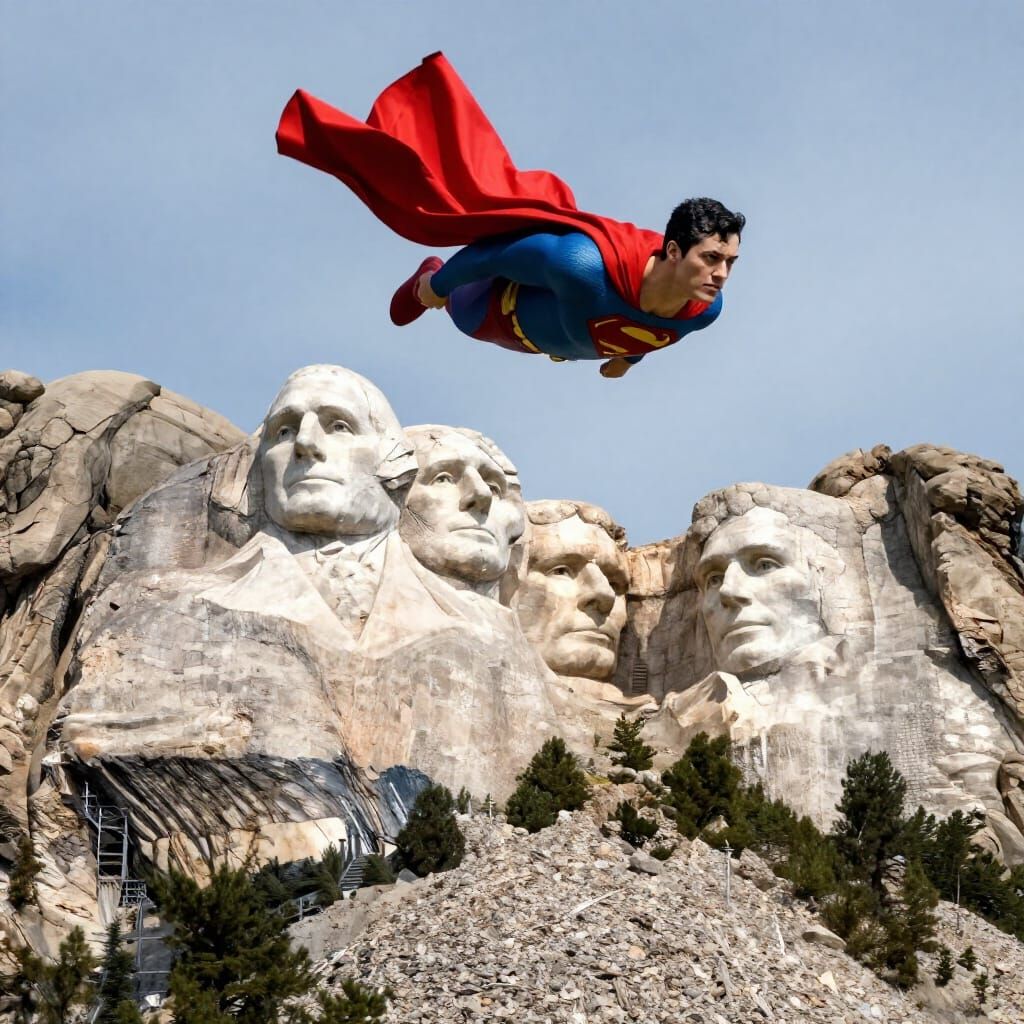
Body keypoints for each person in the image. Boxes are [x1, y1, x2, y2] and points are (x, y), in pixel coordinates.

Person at [277, 53, 744, 378]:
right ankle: (430, 273)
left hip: (548, 344)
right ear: (675, 250)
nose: (720, 274)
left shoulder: (705, 311)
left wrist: (627, 361)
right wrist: (433, 289)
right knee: (460, 315)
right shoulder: (580, 264)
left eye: (729, 262)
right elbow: (491, 256)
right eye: (710, 258)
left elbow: (655, 330)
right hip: (497, 311)